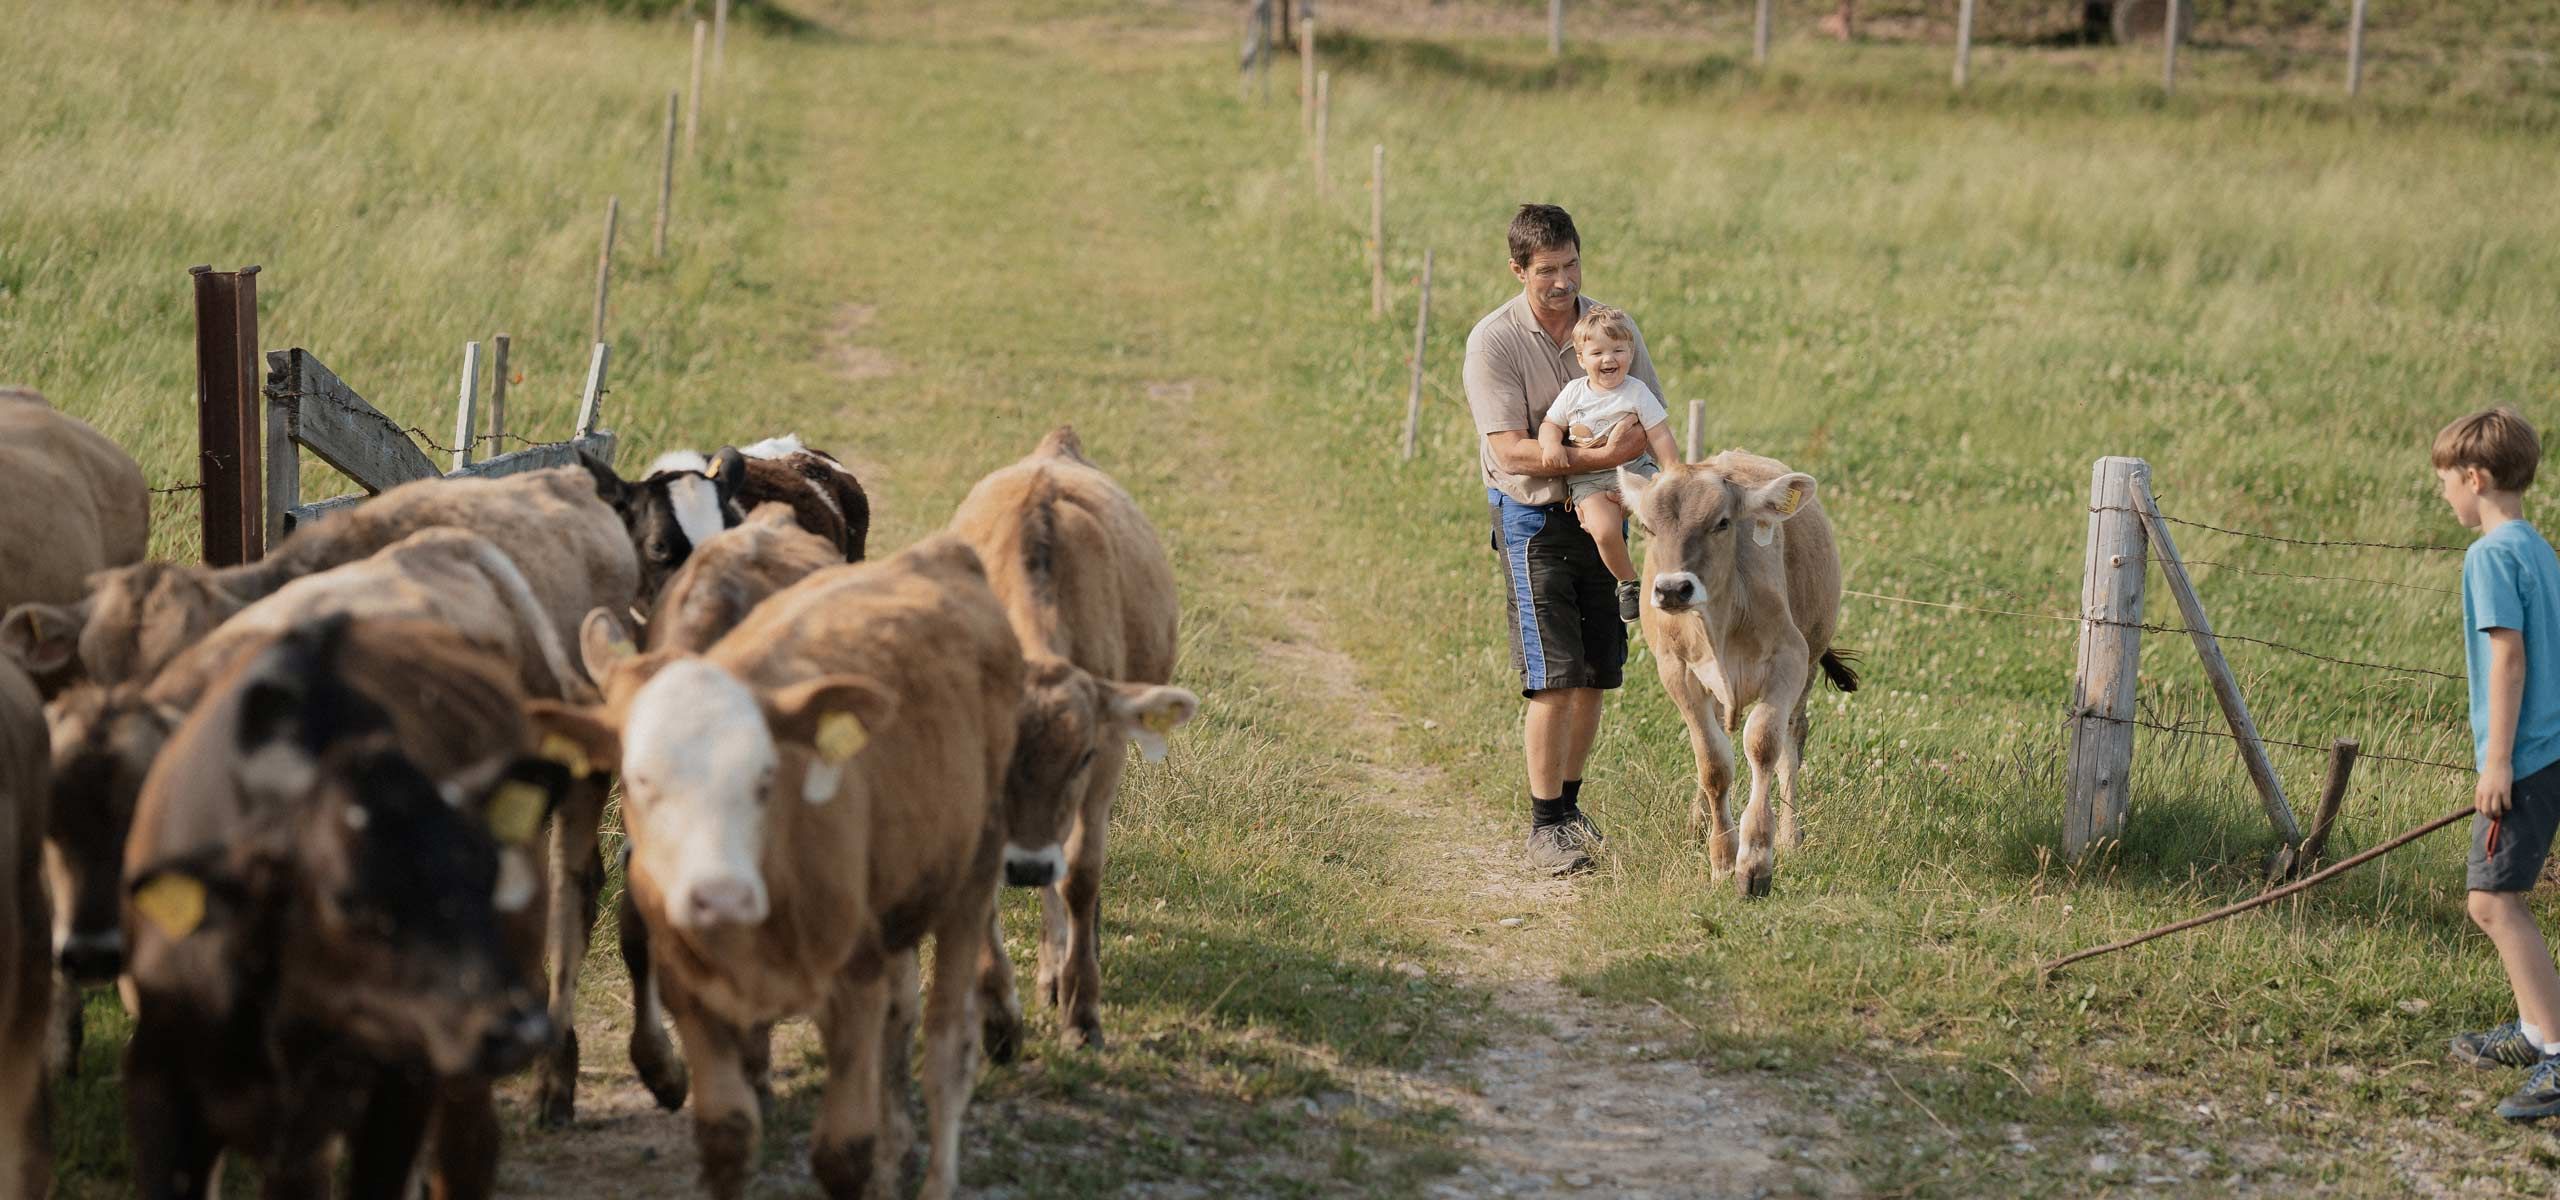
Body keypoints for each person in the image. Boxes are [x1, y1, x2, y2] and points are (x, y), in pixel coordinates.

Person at [1464, 204, 1666, 875]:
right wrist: (1591, 456)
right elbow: (1513, 454)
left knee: (1596, 675)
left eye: (1571, 264)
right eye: (1546, 270)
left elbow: (1648, 426)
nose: (1561, 281)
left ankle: (1571, 806)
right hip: (1533, 520)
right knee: (1553, 675)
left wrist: (1647, 478)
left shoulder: (1611, 326)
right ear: (1518, 269)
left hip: (1608, 510)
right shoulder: (1494, 341)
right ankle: (1544, 823)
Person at [2434, 408, 2560, 1121]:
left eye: (2447, 482)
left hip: (2527, 755)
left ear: (2475, 478)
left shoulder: (2488, 555)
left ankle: (2556, 1052)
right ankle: (2535, 1029)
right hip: (2551, 747)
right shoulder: (2537, 546)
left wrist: (2498, 762)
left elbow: (2508, 655)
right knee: (2496, 899)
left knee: (2493, 902)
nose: (2445, 495)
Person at [1538, 304, 1678, 623]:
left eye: (1618, 349)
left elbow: (1659, 434)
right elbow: (1551, 424)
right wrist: (1549, 443)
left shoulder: (1636, 391)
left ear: (1631, 351)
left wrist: (1671, 472)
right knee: (1603, 530)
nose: (1609, 359)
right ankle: (1628, 582)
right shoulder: (1574, 393)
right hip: (1588, 479)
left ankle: (1674, 570)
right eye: (1597, 352)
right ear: (1581, 358)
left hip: (1635, 469)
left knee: (1667, 513)